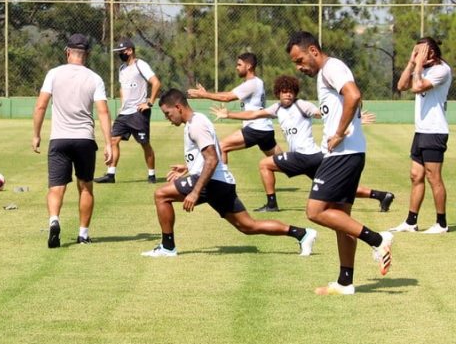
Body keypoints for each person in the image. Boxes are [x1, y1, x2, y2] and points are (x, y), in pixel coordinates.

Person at [142, 89, 317, 258]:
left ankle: (167, 247)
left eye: (168, 113)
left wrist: (195, 192)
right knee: (248, 226)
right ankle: (301, 234)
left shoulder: (196, 125)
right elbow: (212, 153)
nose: (168, 118)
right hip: (221, 183)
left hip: (211, 183)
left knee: (161, 195)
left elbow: (212, 159)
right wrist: (188, 166)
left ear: (178, 107)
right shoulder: (197, 121)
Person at [287, 31, 393, 295]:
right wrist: (351, 124)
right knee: (340, 219)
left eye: (300, 60)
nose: (299, 67)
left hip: (343, 154)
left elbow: (354, 95)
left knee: (315, 211)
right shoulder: (329, 72)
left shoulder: (331, 67)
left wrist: (339, 132)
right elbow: (355, 99)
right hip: (348, 152)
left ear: (313, 50)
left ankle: (378, 240)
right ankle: (345, 281)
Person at [211, 75, 395, 212]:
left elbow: (324, 114)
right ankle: (380, 195)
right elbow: (253, 114)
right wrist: (229, 115)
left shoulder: (302, 105)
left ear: (295, 93)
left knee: (264, 164)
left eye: (291, 92)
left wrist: (354, 120)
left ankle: (272, 204)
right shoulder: (277, 108)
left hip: (305, 155)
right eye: (284, 92)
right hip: (313, 158)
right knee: (336, 188)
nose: (288, 95)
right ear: (278, 93)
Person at [32, 33, 112, 247]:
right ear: (87, 54)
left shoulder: (54, 74)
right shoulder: (95, 78)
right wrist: (109, 143)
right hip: (84, 139)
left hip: (59, 139)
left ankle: (54, 220)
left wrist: (36, 134)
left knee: (56, 188)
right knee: (85, 187)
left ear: (67, 52)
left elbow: (40, 106)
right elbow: (103, 112)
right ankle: (83, 234)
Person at [187, 53, 281, 212]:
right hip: (265, 129)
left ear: (249, 66)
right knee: (285, 163)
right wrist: (208, 93)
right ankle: (310, 169)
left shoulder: (252, 83)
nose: (236, 67)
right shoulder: (255, 83)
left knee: (222, 146)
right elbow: (230, 93)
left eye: (239, 64)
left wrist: (204, 94)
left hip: (256, 128)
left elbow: (228, 97)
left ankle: (220, 184)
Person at [390, 37, 452, 234]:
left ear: (431, 53)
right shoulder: (420, 68)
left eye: (420, 52)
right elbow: (401, 86)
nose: (417, 56)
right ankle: (411, 222)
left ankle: (441, 223)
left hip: (435, 131)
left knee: (434, 177)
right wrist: (411, 62)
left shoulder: (442, 70)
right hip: (421, 131)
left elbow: (417, 87)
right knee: (415, 175)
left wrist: (417, 66)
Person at [93, 38, 161, 184]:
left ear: (130, 51)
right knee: (113, 141)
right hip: (124, 113)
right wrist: (122, 107)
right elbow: (122, 88)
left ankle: (151, 175)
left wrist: (149, 103)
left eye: (121, 51)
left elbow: (156, 83)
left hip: (138, 113)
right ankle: (110, 175)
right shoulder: (122, 69)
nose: (120, 54)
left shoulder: (140, 65)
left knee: (144, 144)